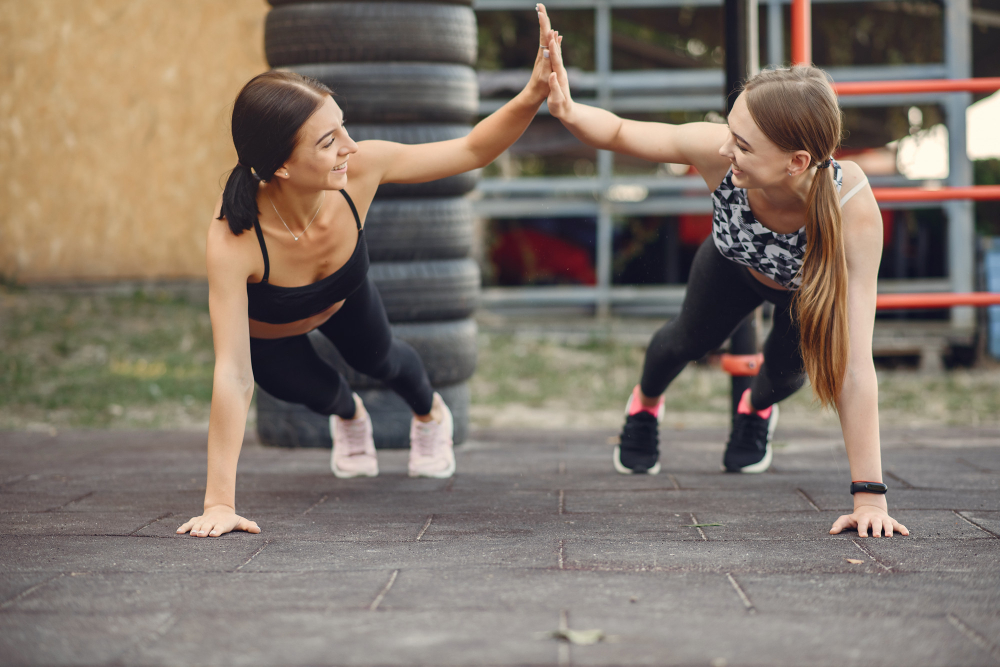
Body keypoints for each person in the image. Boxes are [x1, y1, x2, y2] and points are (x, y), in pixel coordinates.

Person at [178, 6, 557, 539]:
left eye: (343, 127)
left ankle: (430, 416)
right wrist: (219, 503)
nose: (350, 147)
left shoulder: (360, 171)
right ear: (280, 167)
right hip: (272, 335)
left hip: (343, 297)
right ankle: (350, 416)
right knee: (314, 391)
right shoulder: (233, 238)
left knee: (382, 358)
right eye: (328, 141)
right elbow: (233, 373)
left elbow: (472, 150)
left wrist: (532, 93)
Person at [541, 29, 908, 537]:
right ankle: (645, 403)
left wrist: (870, 498)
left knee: (785, 378)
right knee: (683, 342)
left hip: (804, 291)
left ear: (795, 162)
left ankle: (753, 408)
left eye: (742, 143)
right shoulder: (720, 155)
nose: (724, 146)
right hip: (732, 264)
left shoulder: (852, 211)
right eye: (730, 130)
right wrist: (567, 108)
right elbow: (622, 131)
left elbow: (854, 365)